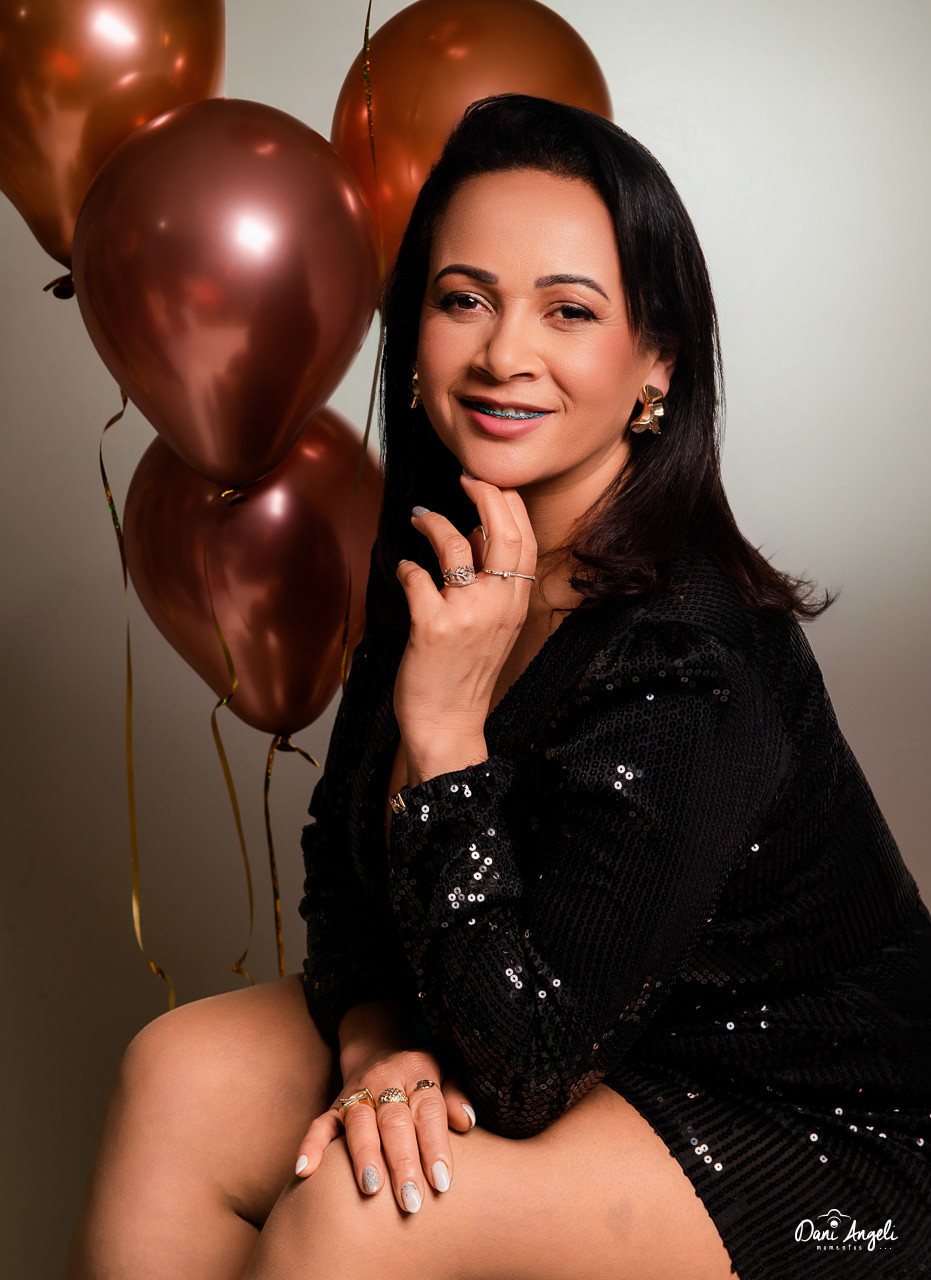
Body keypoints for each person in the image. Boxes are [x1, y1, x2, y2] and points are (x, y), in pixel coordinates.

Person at [69, 95, 930, 1280]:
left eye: (567, 310)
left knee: (364, 1204)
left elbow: (524, 1065)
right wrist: (378, 1048)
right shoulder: (448, 548)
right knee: (176, 1072)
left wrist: (441, 727)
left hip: (800, 1119)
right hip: (541, 1023)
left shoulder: (694, 658)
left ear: (656, 363)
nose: (500, 354)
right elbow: (344, 867)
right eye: (462, 298)